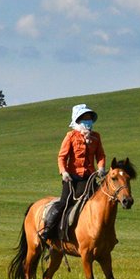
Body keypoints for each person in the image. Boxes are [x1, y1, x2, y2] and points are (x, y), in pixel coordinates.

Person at [40, 103, 107, 242]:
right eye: (84, 118)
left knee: (101, 203)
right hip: (72, 178)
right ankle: (48, 230)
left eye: (89, 118)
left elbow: (100, 155)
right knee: (64, 203)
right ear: (77, 120)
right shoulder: (70, 136)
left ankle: (105, 236)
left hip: (89, 177)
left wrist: (101, 168)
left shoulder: (96, 137)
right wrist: (63, 172)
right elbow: (62, 157)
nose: (87, 121)